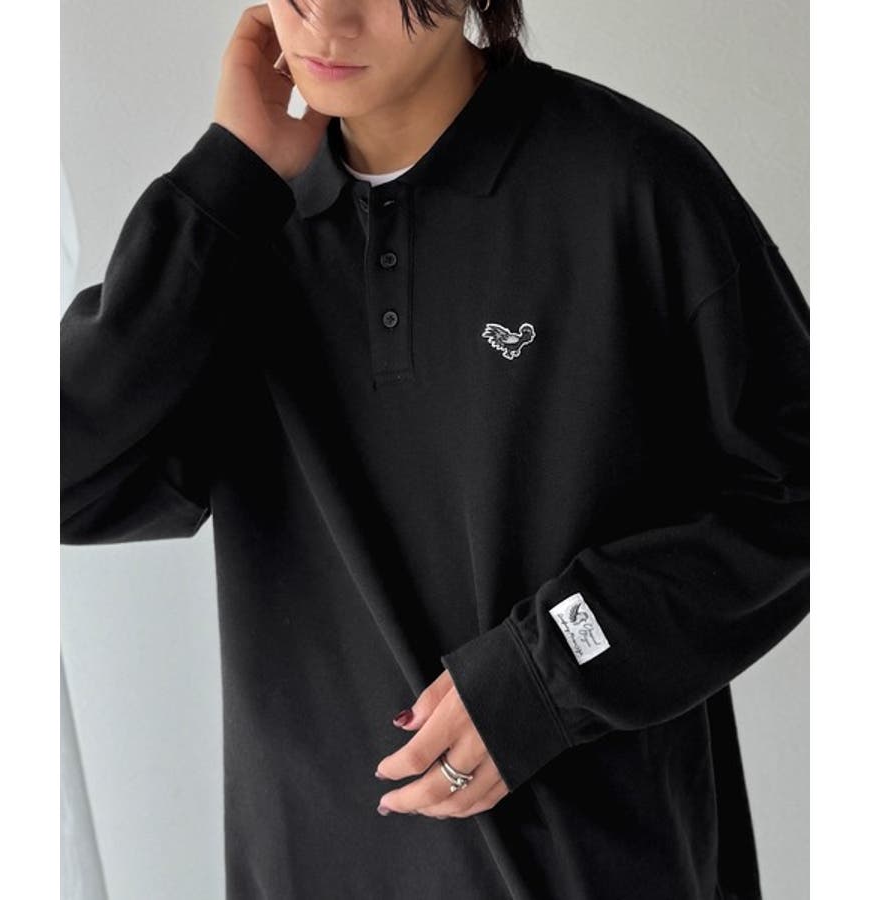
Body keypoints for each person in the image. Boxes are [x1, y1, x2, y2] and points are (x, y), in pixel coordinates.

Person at [60, 1, 810, 898]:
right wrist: (222, 184)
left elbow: (802, 493)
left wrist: (551, 669)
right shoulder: (239, 236)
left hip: (595, 869)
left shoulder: (631, 185)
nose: (326, 16)